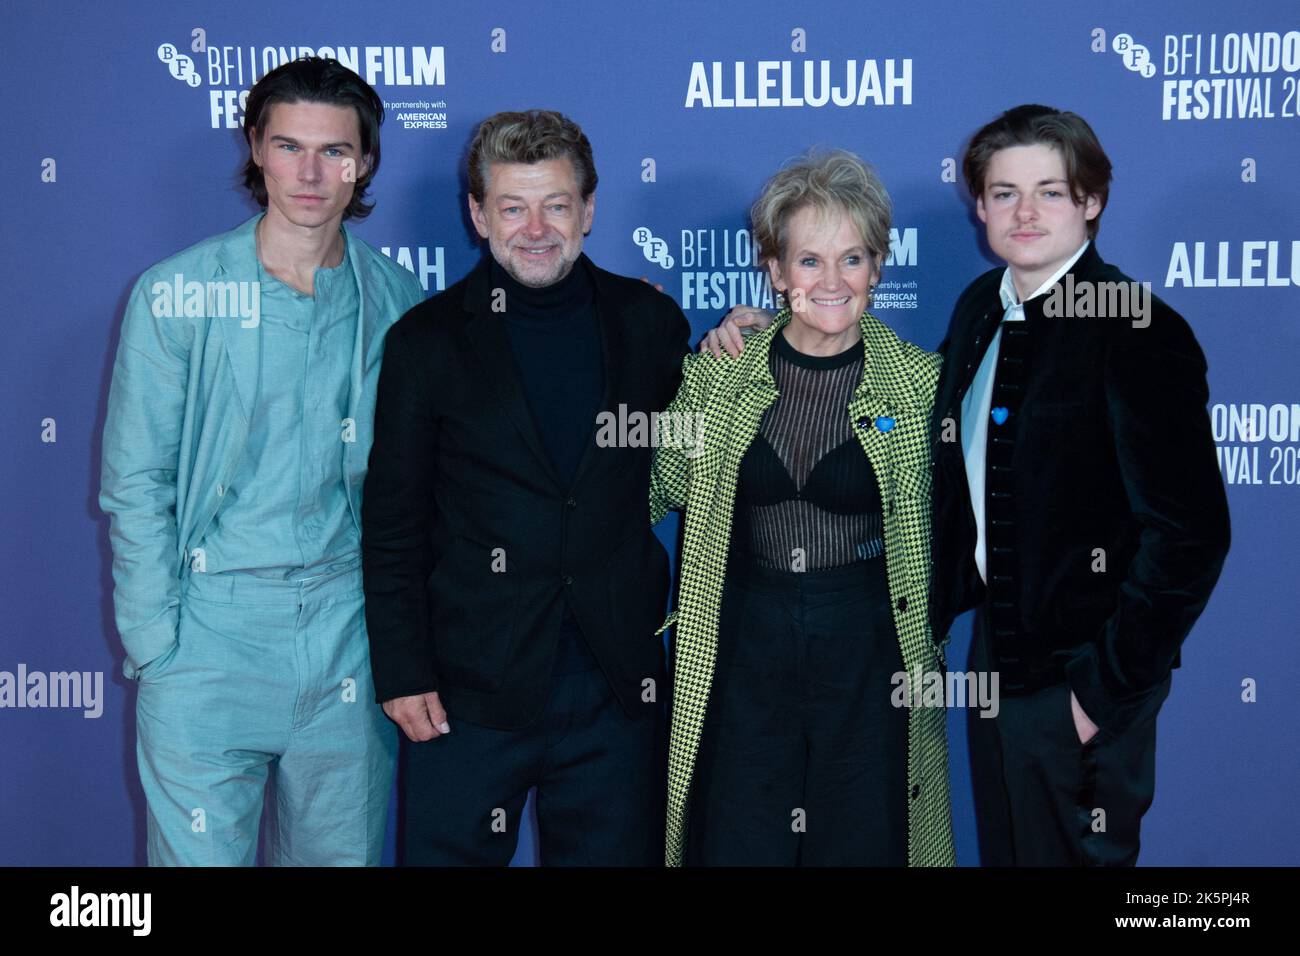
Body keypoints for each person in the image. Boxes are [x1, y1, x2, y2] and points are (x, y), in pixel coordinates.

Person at [100, 57, 424, 865]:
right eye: (288, 147)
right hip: (209, 638)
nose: (311, 173)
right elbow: (135, 481)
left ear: (367, 161)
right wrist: (157, 645)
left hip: (348, 635)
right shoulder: (175, 293)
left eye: (335, 152)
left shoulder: (399, 302)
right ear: (254, 149)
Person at [362, 110, 691, 865]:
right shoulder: (427, 340)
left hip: (617, 690)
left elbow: (703, 448)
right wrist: (404, 670)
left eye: (556, 205)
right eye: (513, 207)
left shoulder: (650, 323)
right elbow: (394, 523)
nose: (535, 228)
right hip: (467, 692)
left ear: (590, 210)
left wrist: (745, 339)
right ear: (478, 215)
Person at [927, 104, 1230, 866]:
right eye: (1004, 193)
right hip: (996, 660)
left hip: (1083, 673)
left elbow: (1191, 535)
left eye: (1050, 192)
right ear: (980, 205)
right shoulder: (977, 310)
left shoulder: (1137, 327)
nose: (1024, 213)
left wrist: (1098, 695)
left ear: (1091, 201)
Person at [651, 149, 955, 867]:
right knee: (737, 840)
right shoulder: (717, 375)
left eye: (852, 259)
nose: (831, 281)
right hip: (743, 643)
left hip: (869, 648)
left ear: (878, 268)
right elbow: (655, 488)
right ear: (776, 269)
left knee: (862, 843)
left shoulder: (922, 386)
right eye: (808, 261)